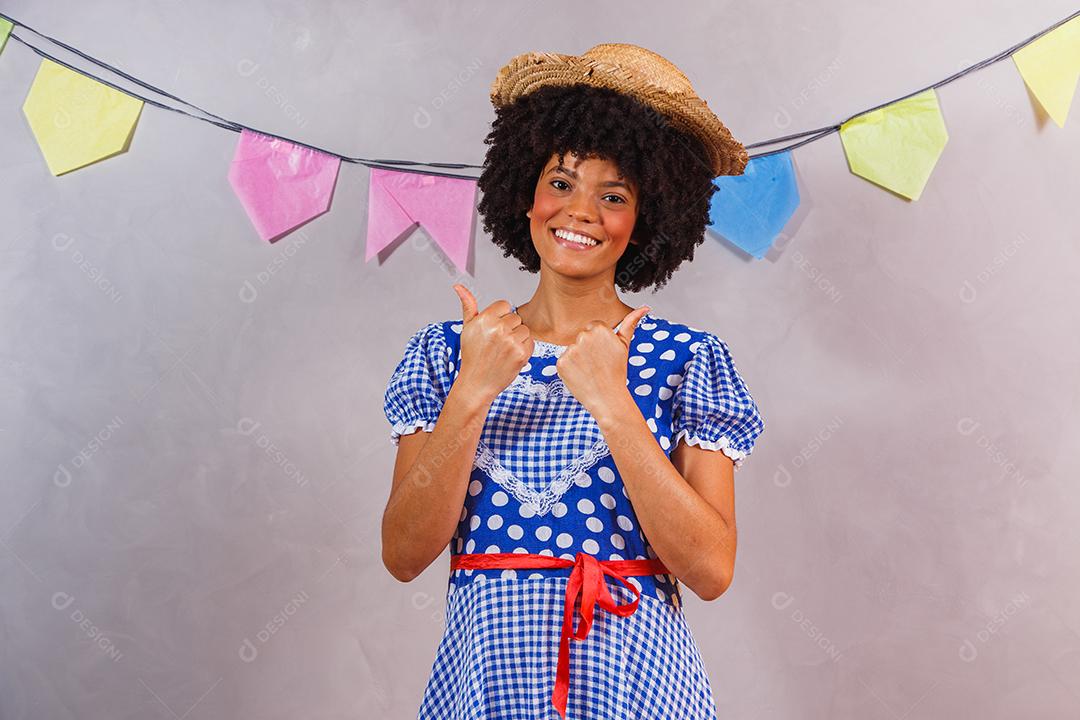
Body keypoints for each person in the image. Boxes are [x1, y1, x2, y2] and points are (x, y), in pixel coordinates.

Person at [381, 43, 765, 720]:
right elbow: (405, 553)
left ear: (646, 218)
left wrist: (613, 403)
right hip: (486, 688)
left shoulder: (687, 360)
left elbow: (710, 570)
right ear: (524, 191)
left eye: (612, 195)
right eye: (560, 183)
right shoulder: (450, 354)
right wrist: (474, 388)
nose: (580, 211)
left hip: (636, 687)